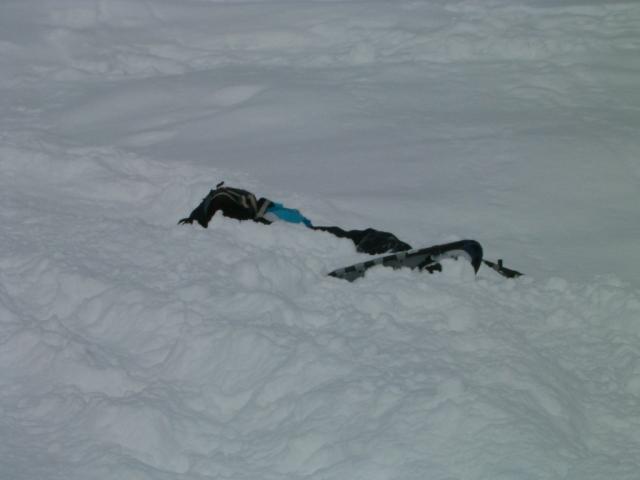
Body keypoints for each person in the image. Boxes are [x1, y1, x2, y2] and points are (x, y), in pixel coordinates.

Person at [178, 182, 412, 255]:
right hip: (296, 233)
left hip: (295, 233)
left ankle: (389, 247)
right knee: (345, 237)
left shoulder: (259, 218)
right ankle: (389, 246)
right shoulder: (261, 216)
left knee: (343, 238)